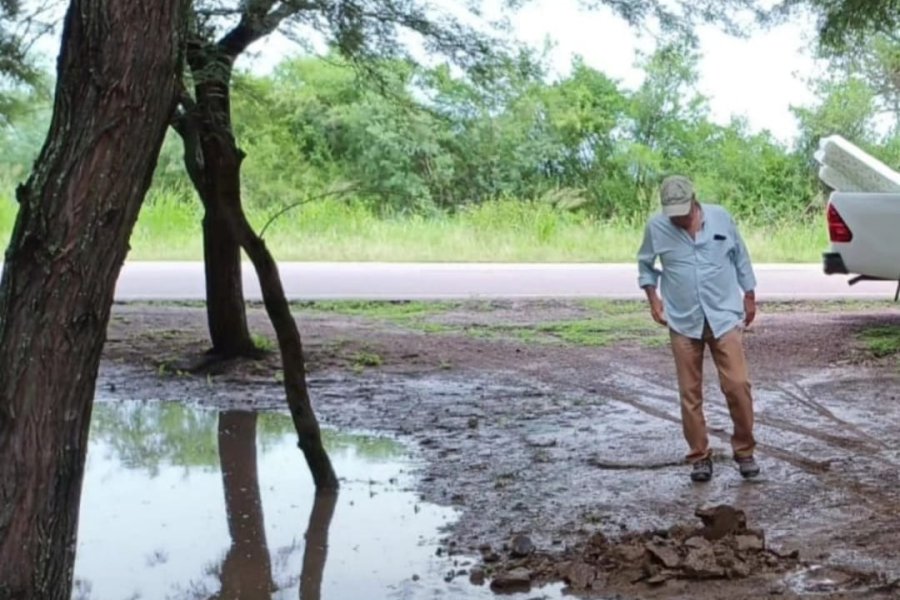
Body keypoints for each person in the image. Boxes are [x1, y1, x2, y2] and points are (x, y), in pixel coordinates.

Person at [636, 175, 760, 482]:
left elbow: (740, 256)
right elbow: (645, 265)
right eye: (672, 212)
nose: (678, 217)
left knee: (738, 385)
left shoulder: (721, 218)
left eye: (683, 210)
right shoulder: (657, 228)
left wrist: (749, 295)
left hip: (723, 316)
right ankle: (699, 457)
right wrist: (653, 298)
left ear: (695, 200)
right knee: (689, 393)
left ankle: (744, 451)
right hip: (682, 319)